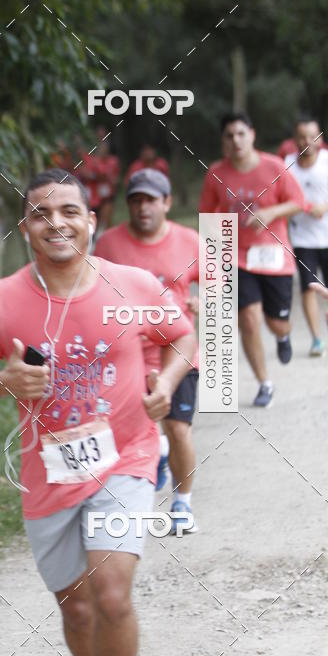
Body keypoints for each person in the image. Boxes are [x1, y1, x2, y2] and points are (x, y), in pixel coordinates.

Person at [0, 168, 195, 656]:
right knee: (77, 607)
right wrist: (2, 382)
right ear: (25, 227)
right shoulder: (1, 300)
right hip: (49, 473)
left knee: (110, 595)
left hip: (127, 458)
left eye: (68, 211)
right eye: (40, 213)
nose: (55, 222)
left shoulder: (132, 284)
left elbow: (183, 336)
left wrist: (165, 380)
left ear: (90, 221)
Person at [96, 169, 199, 532]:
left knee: (178, 427)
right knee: (127, 428)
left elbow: (219, 285)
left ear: (167, 203)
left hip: (176, 349)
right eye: (136, 200)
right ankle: (144, 470)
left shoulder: (191, 241)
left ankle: (183, 502)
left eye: (151, 200)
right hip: (127, 353)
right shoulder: (107, 244)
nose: (143, 208)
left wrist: (203, 302)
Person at [199, 113, 305, 407]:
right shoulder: (216, 173)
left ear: (252, 135)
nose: (236, 140)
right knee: (248, 318)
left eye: (241, 134)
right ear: (224, 142)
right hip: (238, 259)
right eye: (229, 136)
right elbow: (207, 215)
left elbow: (299, 203)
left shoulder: (274, 166)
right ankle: (264, 383)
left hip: (274, 257)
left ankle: (283, 336)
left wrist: (271, 213)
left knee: (276, 323)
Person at [285, 117, 328, 356]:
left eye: (312, 136)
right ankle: (317, 339)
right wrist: (304, 207)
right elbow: (281, 200)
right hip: (303, 239)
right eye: (303, 136)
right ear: (295, 139)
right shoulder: (286, 165)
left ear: (320, 139)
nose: (308, 141)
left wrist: (325, 208)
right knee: (308, 289)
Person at [79, 127, 120, 234]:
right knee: (91, 227)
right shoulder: (87, 158)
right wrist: (99, 176)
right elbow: (86, 174)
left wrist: (98, 176)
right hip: (91, 198)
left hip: (106, 197)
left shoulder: (112, 161)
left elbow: (113, 178)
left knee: (105, 225)